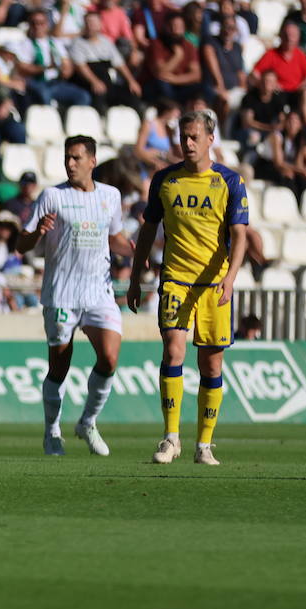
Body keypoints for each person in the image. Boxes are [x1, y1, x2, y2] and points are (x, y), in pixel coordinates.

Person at [127, 110, 250, 467]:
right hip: (176, 279)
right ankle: (170, 438)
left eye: (195, 137)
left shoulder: (229, 181)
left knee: (211, 366)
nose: (188, 143)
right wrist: (136, 276)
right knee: (173, 350)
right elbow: (148, 229)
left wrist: (231, 278)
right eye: (183, 137)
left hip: (214, 285)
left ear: (211, 139)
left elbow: (240, 235)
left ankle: (204, 445)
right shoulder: (165, 180)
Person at [13, 136, 132, 457]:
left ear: (92, 161)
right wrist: (37, 233)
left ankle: (87, 422)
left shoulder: (110, 196)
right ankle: (52, 431)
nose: (70, 163)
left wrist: (138, 251)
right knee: (59, 368)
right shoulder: (52, 196)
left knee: (109, 358)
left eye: (77, 158)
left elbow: (115, 237)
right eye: (68, 157)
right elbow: (21, 245)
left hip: (99, 292)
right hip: (61, 294)